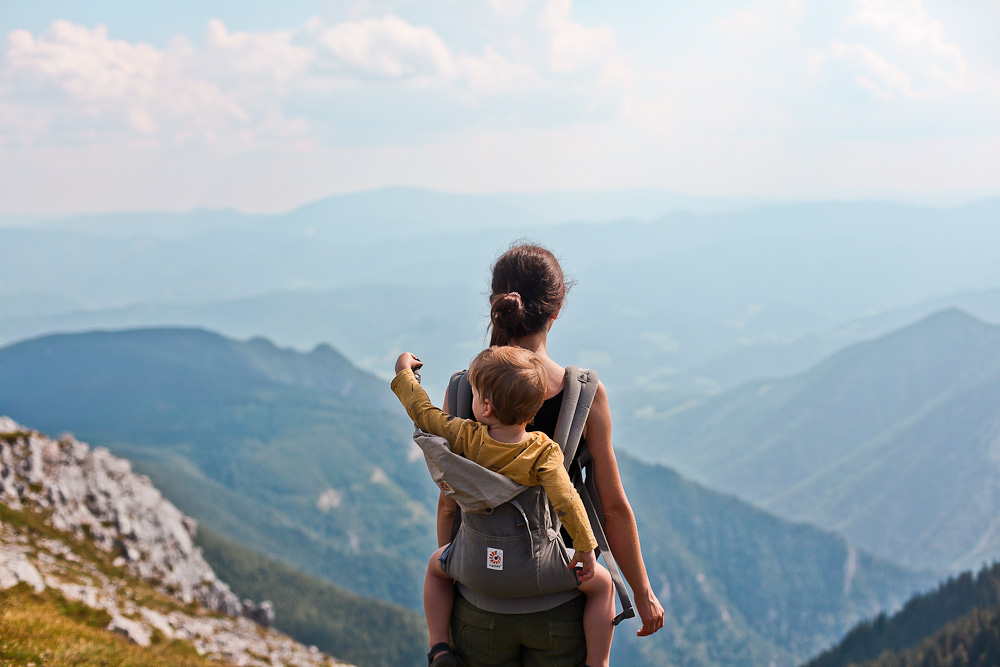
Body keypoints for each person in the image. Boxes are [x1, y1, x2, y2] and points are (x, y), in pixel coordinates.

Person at [439, 244, 665, 666]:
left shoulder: (465, 391)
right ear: (555, 311)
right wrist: (643, 593)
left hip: (481, 602)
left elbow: (449, 504)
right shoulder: (584, 396)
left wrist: (464, 579)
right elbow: (612, 508)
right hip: (559, 598)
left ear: (496, 305)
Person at [391, 345, 616, 667]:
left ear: (485, 406)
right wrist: (584, 548)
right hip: (542, 572)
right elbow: (567, 500)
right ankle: (598, 662)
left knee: (435, 568)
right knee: (603, 585)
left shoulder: (465, 437)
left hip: (478, 568)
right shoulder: (543, 452)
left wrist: (405, 372)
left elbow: (422, 411)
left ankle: (439, 646)